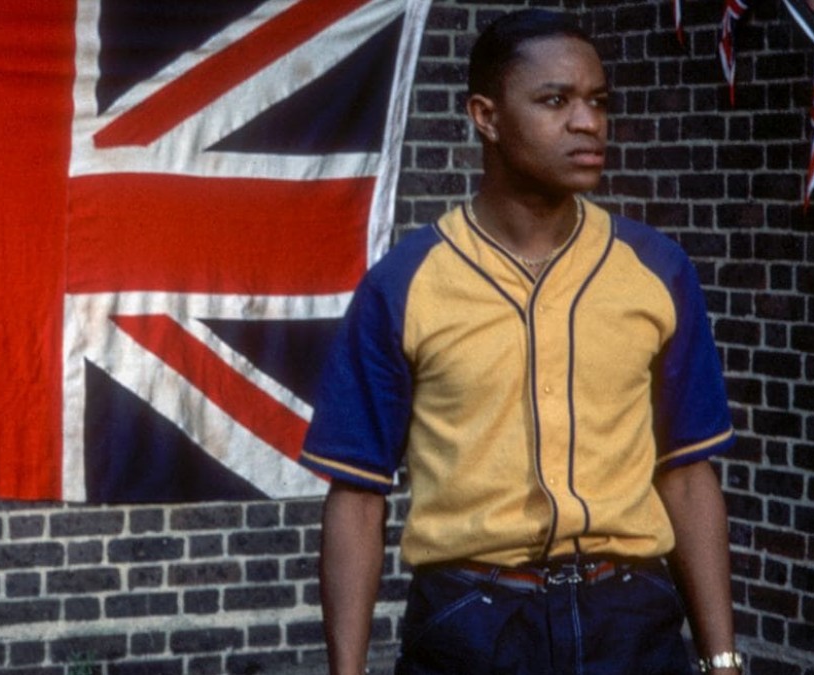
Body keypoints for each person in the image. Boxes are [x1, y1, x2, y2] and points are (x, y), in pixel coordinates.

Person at [299, 9, 743, 675]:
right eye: (555, 100)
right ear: (487, 116)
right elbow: (358, 497)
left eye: (598, 101)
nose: (588, 122)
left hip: (632, 618)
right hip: (471, 622)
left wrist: (724, 660)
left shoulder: (656, 268)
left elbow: (686, 473)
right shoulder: (407, 283)